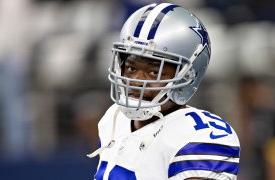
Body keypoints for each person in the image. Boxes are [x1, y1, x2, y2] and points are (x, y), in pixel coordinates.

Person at [88, 3, 240, 180]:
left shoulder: (200, 136)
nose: (136, 80)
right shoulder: (114, 118)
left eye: (154, 72)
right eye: (130, 68)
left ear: (186, 76)